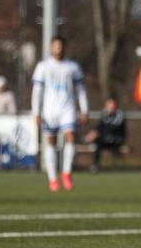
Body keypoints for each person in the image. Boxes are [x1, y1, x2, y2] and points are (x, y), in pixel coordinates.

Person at [31, 36, 88, 192]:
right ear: (51, 48)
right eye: (55, 46)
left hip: (67, 108)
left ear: (64, 47)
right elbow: (37, 91)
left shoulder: (73, 67)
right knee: (51, 142)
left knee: (71, 137)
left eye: (61, 46)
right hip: (49, 110)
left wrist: (84, 110)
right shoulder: (43, 67)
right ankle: (53, 179)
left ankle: (66, 173)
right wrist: (36, 111)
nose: (58, 49)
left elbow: (81, 90)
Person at [85, 97, 126, 173]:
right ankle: (95, 165)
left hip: (117, 139)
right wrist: (94, 133)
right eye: (109, 106)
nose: (111, 108)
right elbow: (100, 127)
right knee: (98, 143)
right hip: (105, 139)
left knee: (102, 139)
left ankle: (117, 167)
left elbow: (113, 128)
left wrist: (99, 133)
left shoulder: (120, 115)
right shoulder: (104, 115)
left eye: (112, 106)